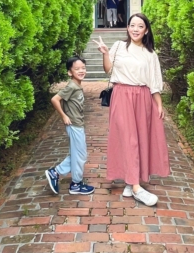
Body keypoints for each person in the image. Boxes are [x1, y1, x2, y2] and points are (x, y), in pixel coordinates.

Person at [96, 13, 169, 206]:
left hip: (143, 98)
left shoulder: (151, 54)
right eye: (132, 25)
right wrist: (105, 52)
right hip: (121, 95)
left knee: (140, 139)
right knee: (129, 139)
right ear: (127, 28)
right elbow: (107, 69)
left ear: (146, 30)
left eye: (140, 26)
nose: (135, 29)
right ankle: (137, 188)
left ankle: (131, 179)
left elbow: (154, 82)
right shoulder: (119, 46)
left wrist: (159, 105)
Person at [45, 56, 95, 196]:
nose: (81, 71)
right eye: (77, 69)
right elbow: (55, 99)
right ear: (69, 72)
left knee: (78, 154)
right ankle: (75, 184)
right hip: (74, 125)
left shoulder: (77, 85)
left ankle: (56, 173)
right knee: (80, 155)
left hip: (78, 124)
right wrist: (64, 116)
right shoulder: (72, 86)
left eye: (83, 68)